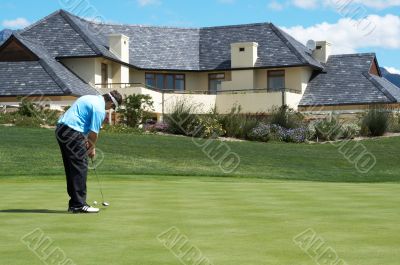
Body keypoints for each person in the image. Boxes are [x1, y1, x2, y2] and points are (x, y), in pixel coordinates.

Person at [55, 90, 122, 213]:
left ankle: (74, 204)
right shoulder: (99, 109)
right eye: (112, 107)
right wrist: (91, 149)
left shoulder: (88, 97)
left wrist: (86, 142)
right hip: (72, 133)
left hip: (61, 131)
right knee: (80, 166)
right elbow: (94, 134)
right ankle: (78, 205)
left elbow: (81, 121)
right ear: (111, 103)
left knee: (72, 167)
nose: (109, 110)